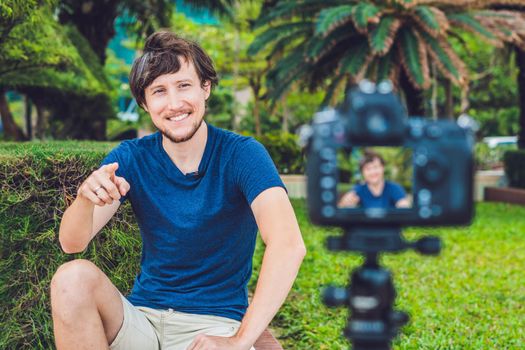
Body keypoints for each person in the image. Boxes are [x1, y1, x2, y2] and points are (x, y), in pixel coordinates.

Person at [50, 31, 306, 350]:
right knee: (71, 278)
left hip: (214, 326)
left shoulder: (243, 155)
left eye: (184, 86)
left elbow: (288, 244)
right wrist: (86, 199)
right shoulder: (131, 157)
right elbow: (71, 242)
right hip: (142, 322)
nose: (174, 104)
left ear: (205, 88)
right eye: (159, 91)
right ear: (145, 103)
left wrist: (240, 341)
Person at [339, 151, 410, 209]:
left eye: (376, 167)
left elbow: (404, 207)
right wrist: (345, 204)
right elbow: (341, 208)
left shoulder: (395, 188)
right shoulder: (358, 190)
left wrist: (403, 206)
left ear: (383, 168)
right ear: (362, 173)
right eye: (368, 169)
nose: (373, 172)